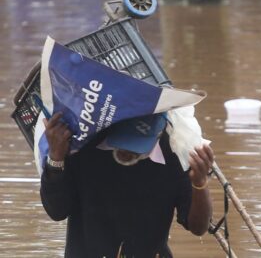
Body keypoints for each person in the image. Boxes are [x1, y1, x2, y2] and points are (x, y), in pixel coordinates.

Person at [40, 111, 215, 258]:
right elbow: (57, 211)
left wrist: (200, 183)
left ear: (158, 135)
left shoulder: (175, 153)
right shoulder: (83, 144)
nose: (127, 152)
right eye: (124, 143)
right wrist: (55, 158)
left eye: (137, 145)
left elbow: (198, 227)